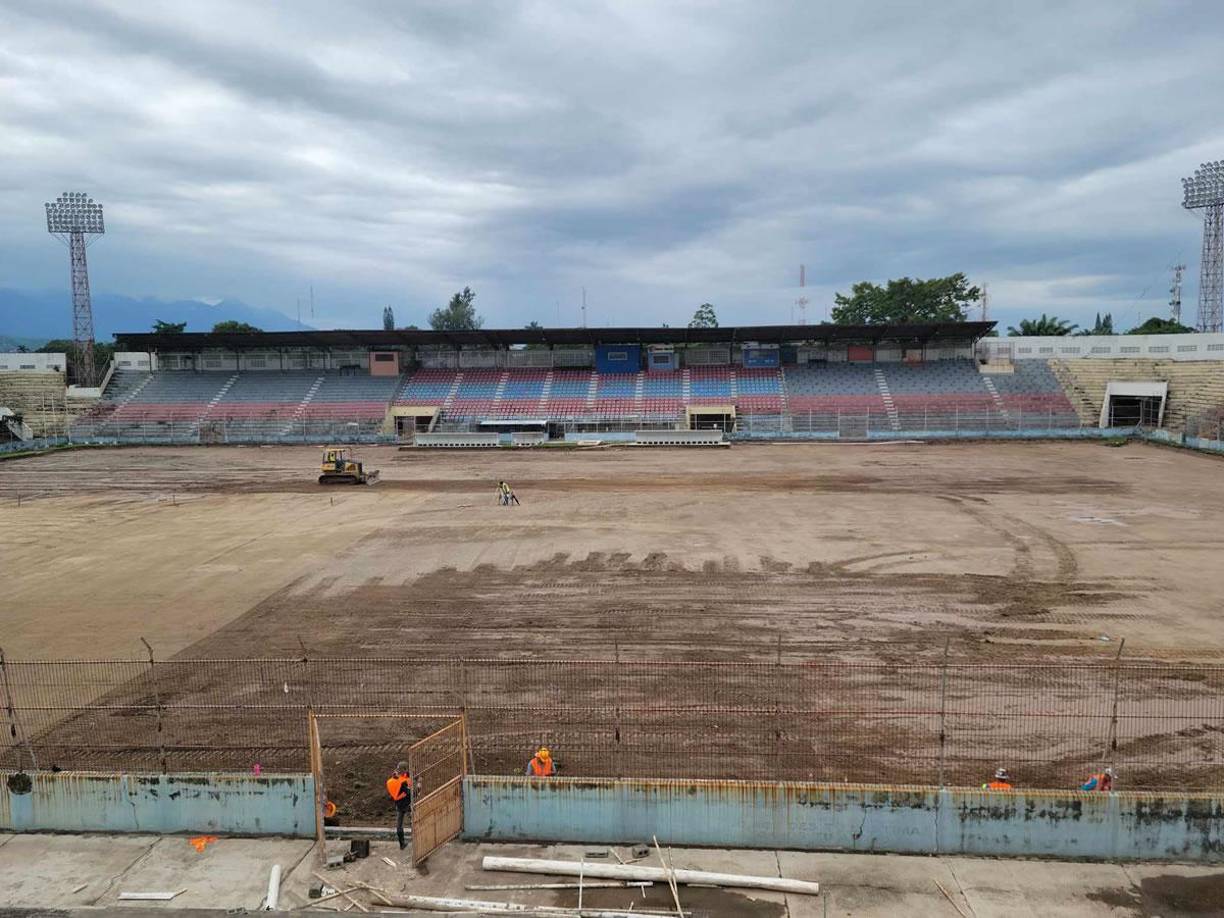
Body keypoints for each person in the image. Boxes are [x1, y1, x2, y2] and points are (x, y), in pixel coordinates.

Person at [386, 761, 413, 849]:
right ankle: (417, 840)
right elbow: (408, 792)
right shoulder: (403, 781)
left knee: (399, 825)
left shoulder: (394, 779)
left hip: (399, 805)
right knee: (413, 822)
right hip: (407, 804)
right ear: (404, 769)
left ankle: (402, 844)